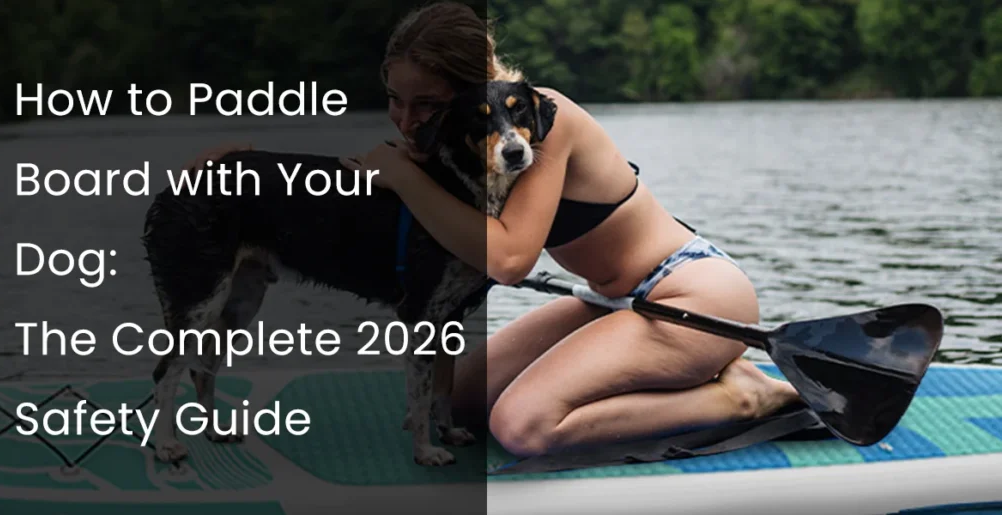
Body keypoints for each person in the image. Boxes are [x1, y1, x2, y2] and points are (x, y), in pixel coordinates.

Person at [189, 2, 801, 458]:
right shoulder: (452, 141)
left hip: (688, 295)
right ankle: (672, 374)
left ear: (471, 87)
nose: (406, 120)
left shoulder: (539, 122)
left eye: (424, 104)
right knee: (461, 404)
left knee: (521, 426)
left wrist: (403, 176)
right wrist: (251, 166)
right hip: (610, 303)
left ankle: (744, 394)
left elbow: (507, 259)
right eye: (395, 101)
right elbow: (362, 186)